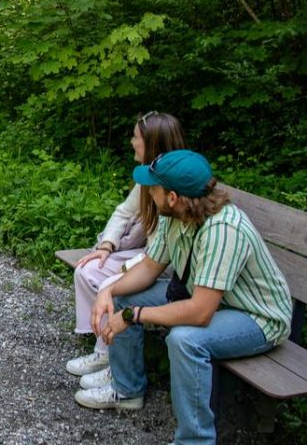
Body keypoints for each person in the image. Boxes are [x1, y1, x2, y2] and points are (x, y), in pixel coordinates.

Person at [76, 150, 293, 445]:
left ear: (173, 196)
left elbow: (200, 313)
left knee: (185, 339)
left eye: (152, 188)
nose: (148, 193)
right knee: (127, 296)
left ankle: (194, 440)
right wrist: (108, 290)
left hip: (256, 317)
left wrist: (132, 315)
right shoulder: (174, 216)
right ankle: (127, 391)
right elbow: (150, 269)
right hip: (209, 300)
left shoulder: (223, 230)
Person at [67, 112, 186, 389]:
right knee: (89, 269)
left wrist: (126, 269)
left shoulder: (174, 184)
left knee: (113, 284)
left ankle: (115, 363)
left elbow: (164, 251)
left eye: (136, 137)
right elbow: (123, 213)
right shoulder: (148, 177)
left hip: (164, 264)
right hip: (150, 256)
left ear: (153, 144)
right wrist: (106, 245)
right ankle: (103, 352)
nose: (132, 141)